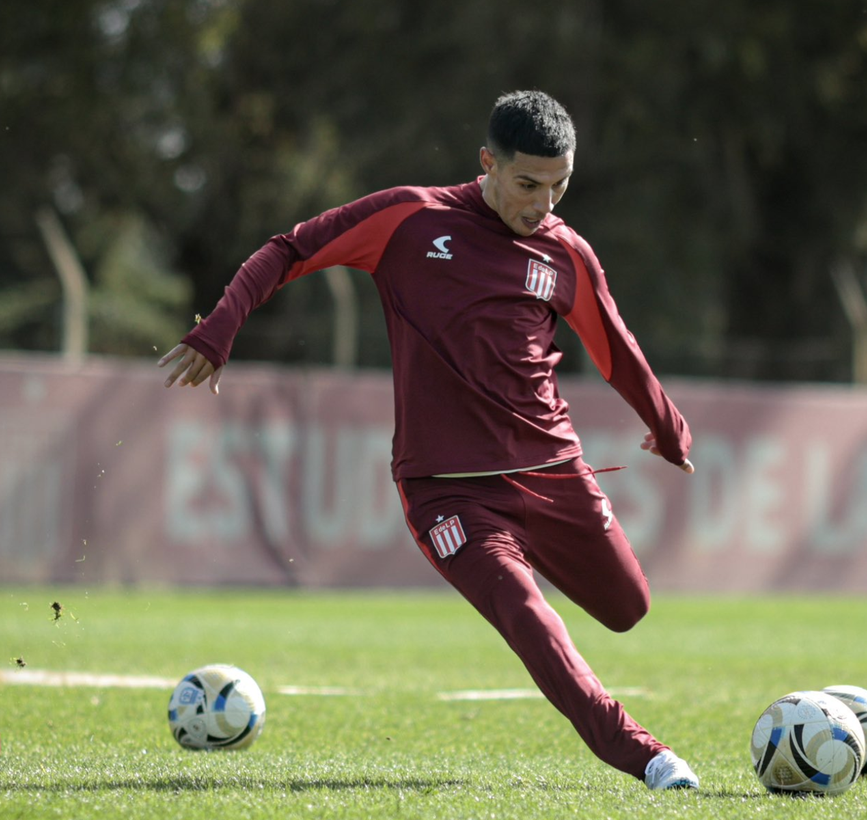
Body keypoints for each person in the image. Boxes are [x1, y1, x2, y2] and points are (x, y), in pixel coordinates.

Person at [158, 90, 699, 789]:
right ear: (487, 163)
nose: (543, 203)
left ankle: (633, 722)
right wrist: (219, 329)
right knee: (527, 615)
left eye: (559, 185)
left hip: (553, 472)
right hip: (447, 493)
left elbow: (615, 347)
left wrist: (667, 426)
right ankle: (648, 757)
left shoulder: (566, 252)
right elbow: (288, 250)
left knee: (629, 608)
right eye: (528, 184)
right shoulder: (410, 219)